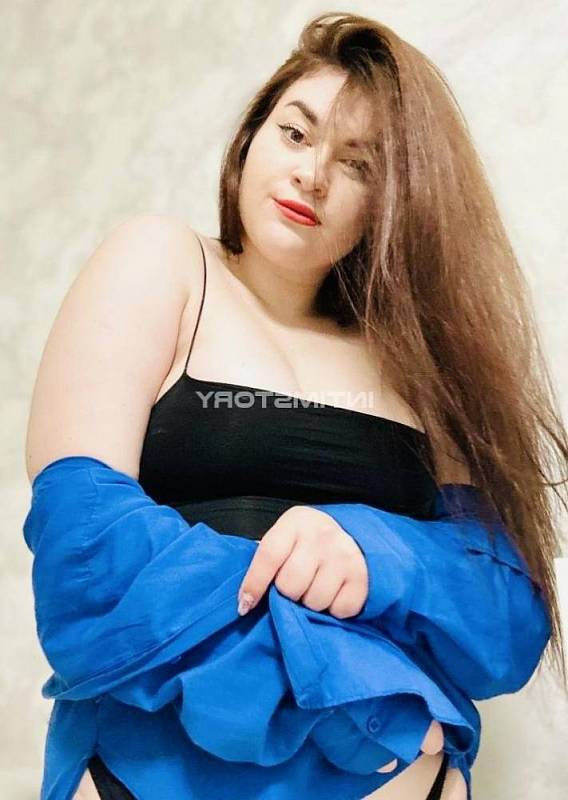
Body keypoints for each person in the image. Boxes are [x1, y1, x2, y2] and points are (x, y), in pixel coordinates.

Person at [25, 11, 567, 800]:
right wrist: (360, 691)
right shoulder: (163, 263)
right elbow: (86, 556)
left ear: (397, 202)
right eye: (296, 133)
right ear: (250, 140)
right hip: (146, 773)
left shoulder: (419, 361)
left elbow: (504, 613)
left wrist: (367, 550)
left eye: (358, 164)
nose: (313, 175)